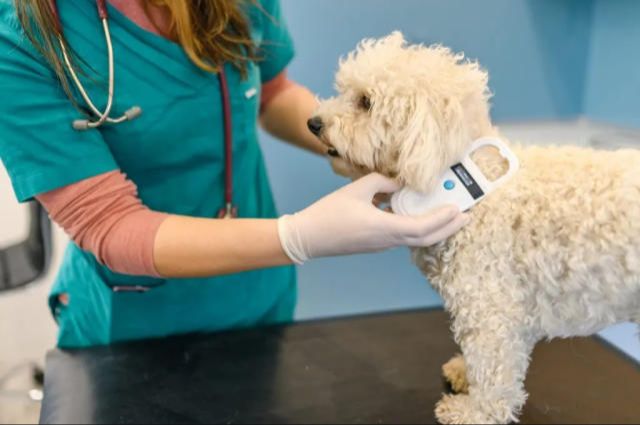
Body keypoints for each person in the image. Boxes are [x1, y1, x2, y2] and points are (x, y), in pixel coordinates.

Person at [0, 0, 469, 348]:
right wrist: (300, 237)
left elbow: (271, 92)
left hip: (259, 301)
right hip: (134, 327)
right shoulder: (22, 37)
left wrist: (364, 146)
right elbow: (107, 223)